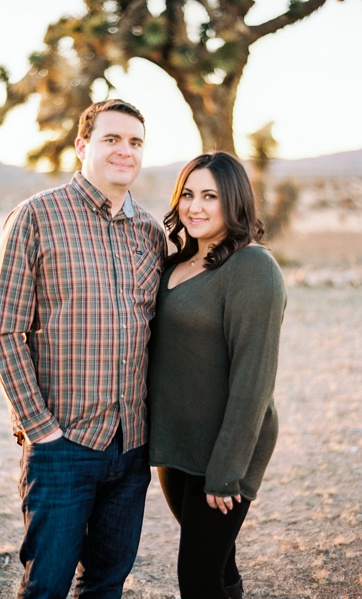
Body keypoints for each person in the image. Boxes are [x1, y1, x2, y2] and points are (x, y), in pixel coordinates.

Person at [0, 99, 166, 598]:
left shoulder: (151, 233)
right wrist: (41, 431)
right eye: (111, 139)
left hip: (131, 449)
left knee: (106, 585)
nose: (124, 151)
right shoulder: (35, 218)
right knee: (47, 586)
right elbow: (4, 334)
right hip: (62, 447)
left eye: (135, 142)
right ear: (83, 146)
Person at [147, 151, 287, 598]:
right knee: (218, 565)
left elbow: (254, 379)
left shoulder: (252, 269)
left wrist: (227, 472)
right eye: (187, 194)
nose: (195, 207)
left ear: (235, 202)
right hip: (177, 444)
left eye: (210, 196)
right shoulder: (175, 263)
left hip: (224, 451)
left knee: (196, 577)